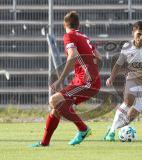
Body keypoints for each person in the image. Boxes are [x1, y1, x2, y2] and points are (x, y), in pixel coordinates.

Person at [32, 11, 101, 147]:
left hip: (86, 82)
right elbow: (98, 57)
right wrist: (89, 69)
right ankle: (44, 143)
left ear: (65, 25)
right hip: (86, 80)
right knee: (56, 108)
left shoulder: (69, 36)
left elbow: (73, 55)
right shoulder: (84, 37)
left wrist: (60, 79)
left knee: (54, 100)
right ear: (78, 24)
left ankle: (83, 129)